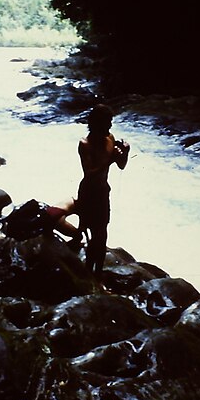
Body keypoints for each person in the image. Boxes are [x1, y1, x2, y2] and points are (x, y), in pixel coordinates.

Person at [72, 104, 130, 276]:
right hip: (89, 193)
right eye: (107, 122)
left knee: (102, 235)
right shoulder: (85, 144)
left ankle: (97, 274)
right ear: (97, 123)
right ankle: (88, 273)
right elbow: (89, 173)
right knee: (91, 235)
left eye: (111, 122)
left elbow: (121, 166)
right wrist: (111, 159)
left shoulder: (110, 138)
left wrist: (125, 153)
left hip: (103, 192)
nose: (110, 126)